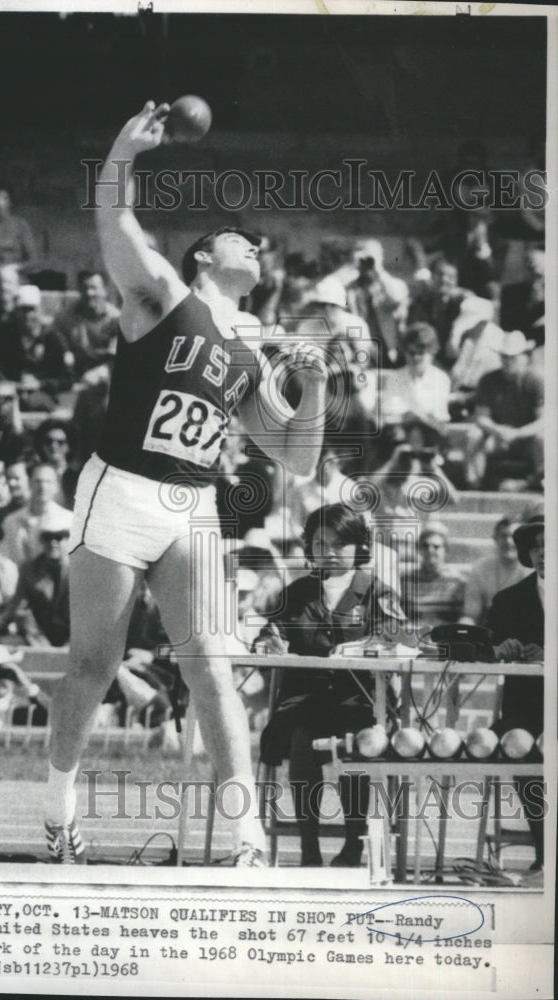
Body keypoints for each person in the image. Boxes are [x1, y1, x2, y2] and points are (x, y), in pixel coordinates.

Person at [43, 101, 328, 867]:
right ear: (207, 257)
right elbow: (116, 227)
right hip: (121, 488)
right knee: (93, 666)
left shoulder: (249, 349)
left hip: (191, 504)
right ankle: (55, 808)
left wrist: (320, 391)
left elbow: (297, 458)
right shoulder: (166, 297)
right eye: (246, 242)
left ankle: (245, 836)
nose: (260, 250)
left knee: (212, 662)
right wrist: (120, 154)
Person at [255, 504, 407, 867]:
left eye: (340, 543)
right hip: (306, 700)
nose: (329, 551)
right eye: (320, 542)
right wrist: (269, 641)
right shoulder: (296, 592)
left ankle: (354, 843)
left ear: (359, 547)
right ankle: (309, 847)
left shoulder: (378, 592)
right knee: (302, 742)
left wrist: (357, 647)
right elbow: (270, 631)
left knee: (355, 745)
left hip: (362, 702)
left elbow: (396, 638)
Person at [486, 514, 545, 871]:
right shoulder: (508, 599)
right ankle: (544, 851)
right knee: (518, 743)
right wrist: (499, 649)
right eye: (536, 547)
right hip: (524, 710)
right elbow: (484, 647)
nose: (543, 554)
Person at [464, 329, 544, 489]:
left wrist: (518, 433)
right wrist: (498, 430)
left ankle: (539, 482)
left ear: (524, 357)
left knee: (544, 438)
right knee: (473, 435)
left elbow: (542, 420)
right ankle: (474, 485)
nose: (508, 361)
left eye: (512, 357)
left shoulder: (536, 381)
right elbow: (481, 417)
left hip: (527, 438)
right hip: (497, 438)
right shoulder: (488, 380)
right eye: (504, 356)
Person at [0, 508, 72, 646]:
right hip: (40, 638)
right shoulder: (29, 570)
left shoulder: (80, 569)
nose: (53, 542)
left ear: (68, 540)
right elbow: (18, 608)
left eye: (58, 537)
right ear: (41, 540)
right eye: (47, 537)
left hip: (74, 638)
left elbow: (88, 614)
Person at [344, 238, 409, 368]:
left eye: (370, 258)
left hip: (390, 350)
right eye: (362, 259)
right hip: (362, 352)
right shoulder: (349, 288)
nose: (366, 263)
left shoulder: (393, 284)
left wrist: (377, 269)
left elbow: (396, 297)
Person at [0, 464, 71, 567]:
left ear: (56, 487)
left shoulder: (68, 520)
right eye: (38, 481)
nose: (43, 487)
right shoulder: (11, 521)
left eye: (48, 482)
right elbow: (3, 559)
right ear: (29, 484)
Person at [462, 517, 530, 626]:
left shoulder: (532, 570)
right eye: (503, 536)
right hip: (489, 632)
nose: (508, 542)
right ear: (495, 539)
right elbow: (471, 614)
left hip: (523, 631)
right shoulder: (480, 569)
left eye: (514, 537)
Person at [54, 270, 121, 380]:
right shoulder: (66, 317)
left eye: (94, 288)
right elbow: (55, 341)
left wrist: (100, 373)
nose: (89, 293)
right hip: (75, 374)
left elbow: (119, 358)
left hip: (108, 376)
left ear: (105, 291)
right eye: (84, 288)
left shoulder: (116, 320)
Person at [401, 523, 465, 630]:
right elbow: (401, 617)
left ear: (446, 550)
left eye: (436, 547)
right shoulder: (406, 580)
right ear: (419, 549)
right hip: (413, 639)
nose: (430, 550)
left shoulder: (458, 582)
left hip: (444, 640)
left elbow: (462, 620)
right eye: (425, 546)